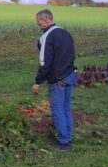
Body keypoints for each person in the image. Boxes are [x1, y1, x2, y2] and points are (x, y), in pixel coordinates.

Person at [31, 9, 77, 150]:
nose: (39, 25)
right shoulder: (66, 33)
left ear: (45, 20)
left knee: (57, 109)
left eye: (39, 23)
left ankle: (63, 142)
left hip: (58, 79)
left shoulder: (47, 36)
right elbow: (71, 55)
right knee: (66, 107)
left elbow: (44, 62)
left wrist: (38, 81)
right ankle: (68, 136)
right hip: (70, 75)